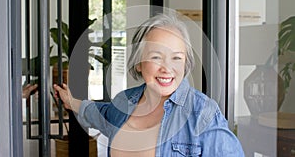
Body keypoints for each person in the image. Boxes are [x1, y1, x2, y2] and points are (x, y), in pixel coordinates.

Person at [54, 13, 244, 157]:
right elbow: (100, 113)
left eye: (176, 58)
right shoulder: (125, 101)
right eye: (156, 57)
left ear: (185, 63)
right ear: (139, 62)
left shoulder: (203, 113)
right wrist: (71, 102)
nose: (167, 68)